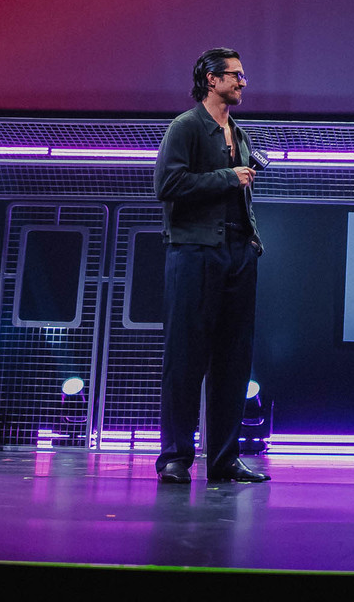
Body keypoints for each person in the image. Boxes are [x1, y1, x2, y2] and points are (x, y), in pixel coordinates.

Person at [152, 47, 268, 485]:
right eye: (234, 75)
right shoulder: (186, 126)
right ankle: (176, 457)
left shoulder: (239, 133)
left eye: (242, 74)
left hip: (238, 252)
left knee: (234, 360)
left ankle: (223, 459)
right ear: (210, 79)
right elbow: (167, 183)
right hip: (194, 252)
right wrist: (227, 176)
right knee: (185, 357)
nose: (242, 81)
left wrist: (252, 242)